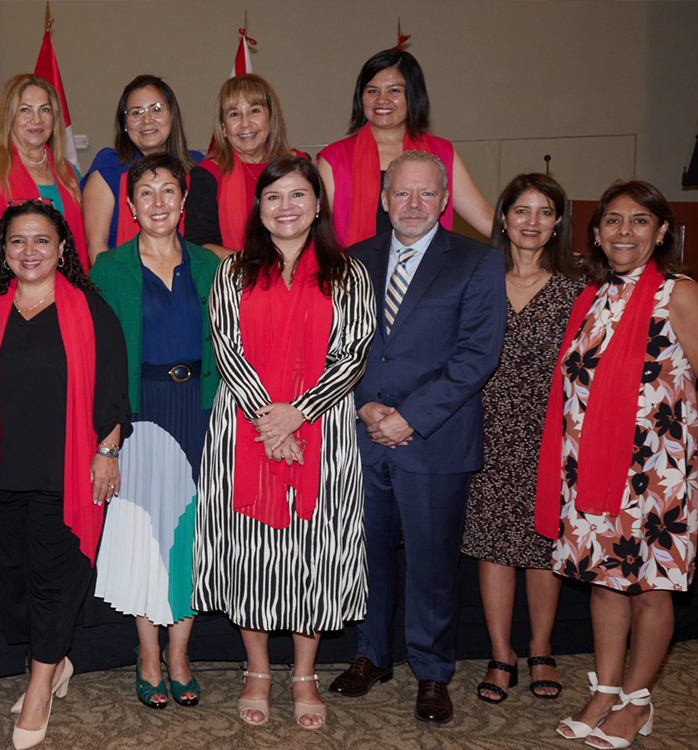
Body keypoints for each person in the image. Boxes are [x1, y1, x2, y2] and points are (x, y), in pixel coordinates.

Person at [191, 156, 376, 730]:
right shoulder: (234, 273)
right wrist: (270, 422)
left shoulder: (348, 273)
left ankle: (302, 673)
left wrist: (296, 414)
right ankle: (257, 670)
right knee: (249, 552)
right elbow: (228, 349)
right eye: (273, 197)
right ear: (259, 209)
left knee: (312, 553)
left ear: (318, 206)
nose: (286, 207)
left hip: (323, 431)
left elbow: (352, 355)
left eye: (298, 195)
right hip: (244, 431)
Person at [328, 150, 506, 725]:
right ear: (383, 199)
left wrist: (410, 416)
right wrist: (364, 407)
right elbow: (338, 348)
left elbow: (478, 355)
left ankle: (432, 671)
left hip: (436, 438)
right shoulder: (355, 260)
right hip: (361, 435)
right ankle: (372, 655)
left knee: (430, 563)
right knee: (369, 556)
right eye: (402, 193)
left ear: (444, 200)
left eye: (426, 194)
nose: (412, 204)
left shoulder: (477, 262)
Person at [536, 181, 698, 748]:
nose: (624, 232)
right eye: (613, 220)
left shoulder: (677, 292)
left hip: (656, 470)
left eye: (639, 221)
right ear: (595, 232)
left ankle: (637, 702)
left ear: (661, 231)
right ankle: (606, 690)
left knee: (651, 586)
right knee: (605, 582)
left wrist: (688, 441)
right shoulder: (592, 297)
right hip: (589, 467)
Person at [0, 200, 131, 749]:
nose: (30, 251)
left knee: (52, 583)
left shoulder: (90, 310)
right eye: (17, 241)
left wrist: (107, 452)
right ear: (3, 250)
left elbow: (113, 390)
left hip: (66, 472)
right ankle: (56, 660)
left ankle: (40, 688)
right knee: (12, 585)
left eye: (42, 240)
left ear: (63, 249)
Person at [89, 154, 219, 709]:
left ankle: (180, 655)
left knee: (190, 536)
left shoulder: (213, 267)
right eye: (147, 192)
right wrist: (109, 439)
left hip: (199, 410)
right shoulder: (109, 269)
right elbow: (99, 362)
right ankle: (147, 654)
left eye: (169, 191)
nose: (159, 202)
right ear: (131, 205)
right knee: (144, 538)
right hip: (139, 414)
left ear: (184, 201)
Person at [461, 174, 584, 705]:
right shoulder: (475, 277)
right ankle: (499, 653)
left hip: (550, 434)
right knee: (494, 548)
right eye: (521, 210)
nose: (532, 222)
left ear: (558, 222)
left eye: (544, 212)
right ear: (503, 217)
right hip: (483, 430)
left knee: (541, 548)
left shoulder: (579, 289)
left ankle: (540, 648)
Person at [316, 48, 493, 247]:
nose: (382, 100)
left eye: (394, 90)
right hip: (357, 273)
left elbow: (486, 218)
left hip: (428, 273)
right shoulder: (334, 159)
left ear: (413, 96)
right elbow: (317, 233)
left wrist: (526, 240)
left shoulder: (441, 152)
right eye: (372, 91)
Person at [0, 74, 85, 263]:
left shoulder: (69, 174)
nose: (36, 119)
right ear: (8, 116)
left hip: (63, 287)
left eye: (45, 110)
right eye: (25, 110)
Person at [81, 75, 200, 265]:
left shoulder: (197, 168)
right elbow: (95, 245)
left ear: (172, 115)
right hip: (120, 285)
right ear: (125, 124)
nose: (147, 120)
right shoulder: (108, 168)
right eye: (136, 113)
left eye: (156, 109)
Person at [185, 74, 306, 258]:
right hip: (235, 278)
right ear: (224, 128)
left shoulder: (298, 165)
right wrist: (253, 268)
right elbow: (198, 245)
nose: (245, 123)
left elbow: (318, 227)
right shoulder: (207, 174)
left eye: (254, 111)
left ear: (271, 118)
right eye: (234, 114)